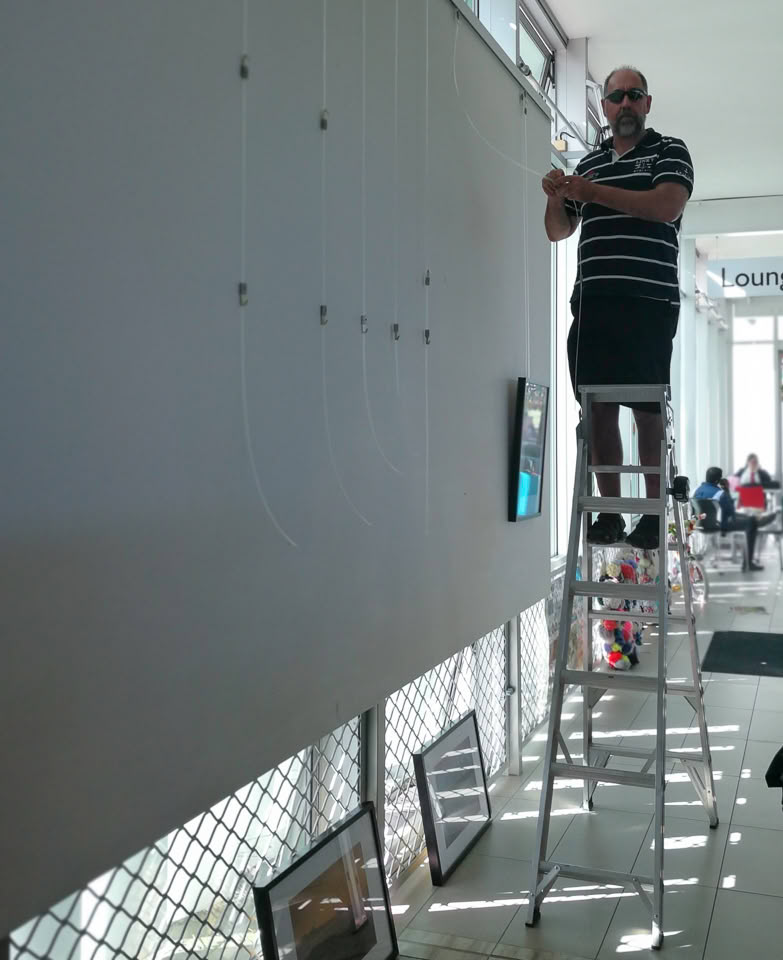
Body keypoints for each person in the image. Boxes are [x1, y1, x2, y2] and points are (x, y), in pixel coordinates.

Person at [541, 66, 694, 549]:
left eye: (634, 95)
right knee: (598, 408)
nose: (625, 103)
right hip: (594, 304)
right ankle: (609, 512)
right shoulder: (588, 165)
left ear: (647, 103)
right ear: (604, 107)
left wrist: (591, 193)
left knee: (647, 410)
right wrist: (556, 196)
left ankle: (650, 516)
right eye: (616, 97)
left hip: (647, 301)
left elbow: (665, 206)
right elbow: (558, 230)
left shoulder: (669, 151)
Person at [693, 467, 776, 571]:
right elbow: (730, 510)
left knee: (749, 519)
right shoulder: (719, 492)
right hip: (720, 524)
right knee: (751, 523)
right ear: (718, 480)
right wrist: (726, 489)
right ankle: (748, 563)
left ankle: (756, 520)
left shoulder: (697, 491)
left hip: (701, 525)